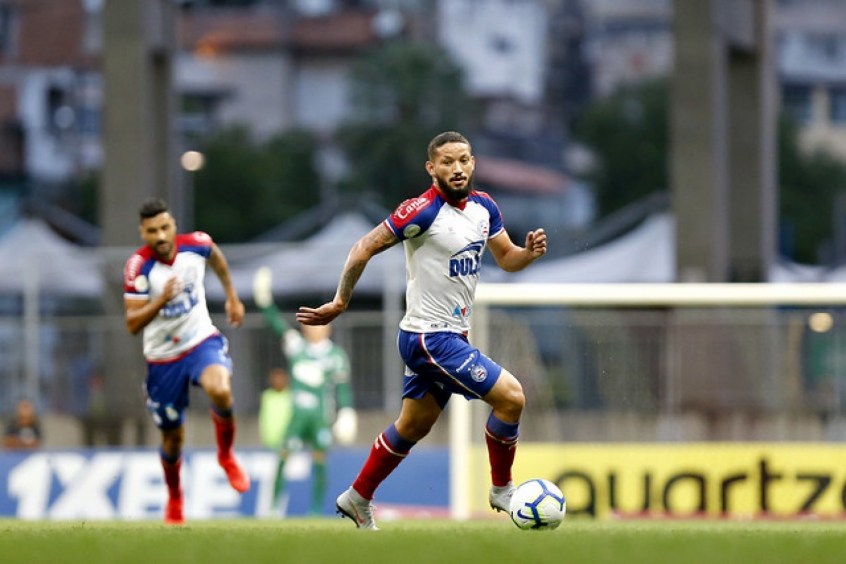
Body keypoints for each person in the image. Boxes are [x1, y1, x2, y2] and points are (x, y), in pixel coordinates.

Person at [296, 131, 548, 530]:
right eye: (447, 161)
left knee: (413, 426)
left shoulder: (484, 209)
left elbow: (507, 259)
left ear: (473, 162)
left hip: (450, 336)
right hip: (430, 338)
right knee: (512, 397)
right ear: (432, 169)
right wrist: (341, 301)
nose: (457, 168)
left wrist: (528, 254)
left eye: (463, 159)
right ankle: (502, 489)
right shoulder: (421, 211)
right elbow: (363, 247)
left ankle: (357, 497)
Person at [123, 197, 251, 525]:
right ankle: (175, 498)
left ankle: (225, 455)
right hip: (162, 359)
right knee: (172, 438)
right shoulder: (138, 268)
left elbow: (218, 259)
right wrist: (160, 300)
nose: (161, 236)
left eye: (165, 227)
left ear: (174, 225)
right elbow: (133, 324)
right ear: (143, 232)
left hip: (199, 341)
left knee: (220, 389)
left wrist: (232, 297)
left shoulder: (197, 245)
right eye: (152, 231)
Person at [254, 266, 357, 516]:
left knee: (320, 462)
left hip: (321, 417)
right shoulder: (296, 346)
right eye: (310, 323)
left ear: (328, 327)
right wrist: (265, 302)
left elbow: (343, 388)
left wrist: (347, 412)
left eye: (319, 323)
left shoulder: (335, 356)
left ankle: (315, 512)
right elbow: (277, 325)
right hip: (297, 416)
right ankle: (273, 509)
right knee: (283, 457)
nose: (314, 328)